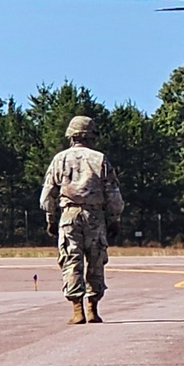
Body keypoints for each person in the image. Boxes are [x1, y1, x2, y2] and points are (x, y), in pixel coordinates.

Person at [41, 116, 124, 324]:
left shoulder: (59, 159)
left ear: (71, 136)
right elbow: (113, 193)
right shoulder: (99, 159)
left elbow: (48, 194)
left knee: (71, 260)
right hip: (94, 215)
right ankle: (93, 308)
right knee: (95, 261)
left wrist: (51, 218)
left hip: (69, 215)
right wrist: (114, 219)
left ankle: (77, 309)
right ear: (92, 136)